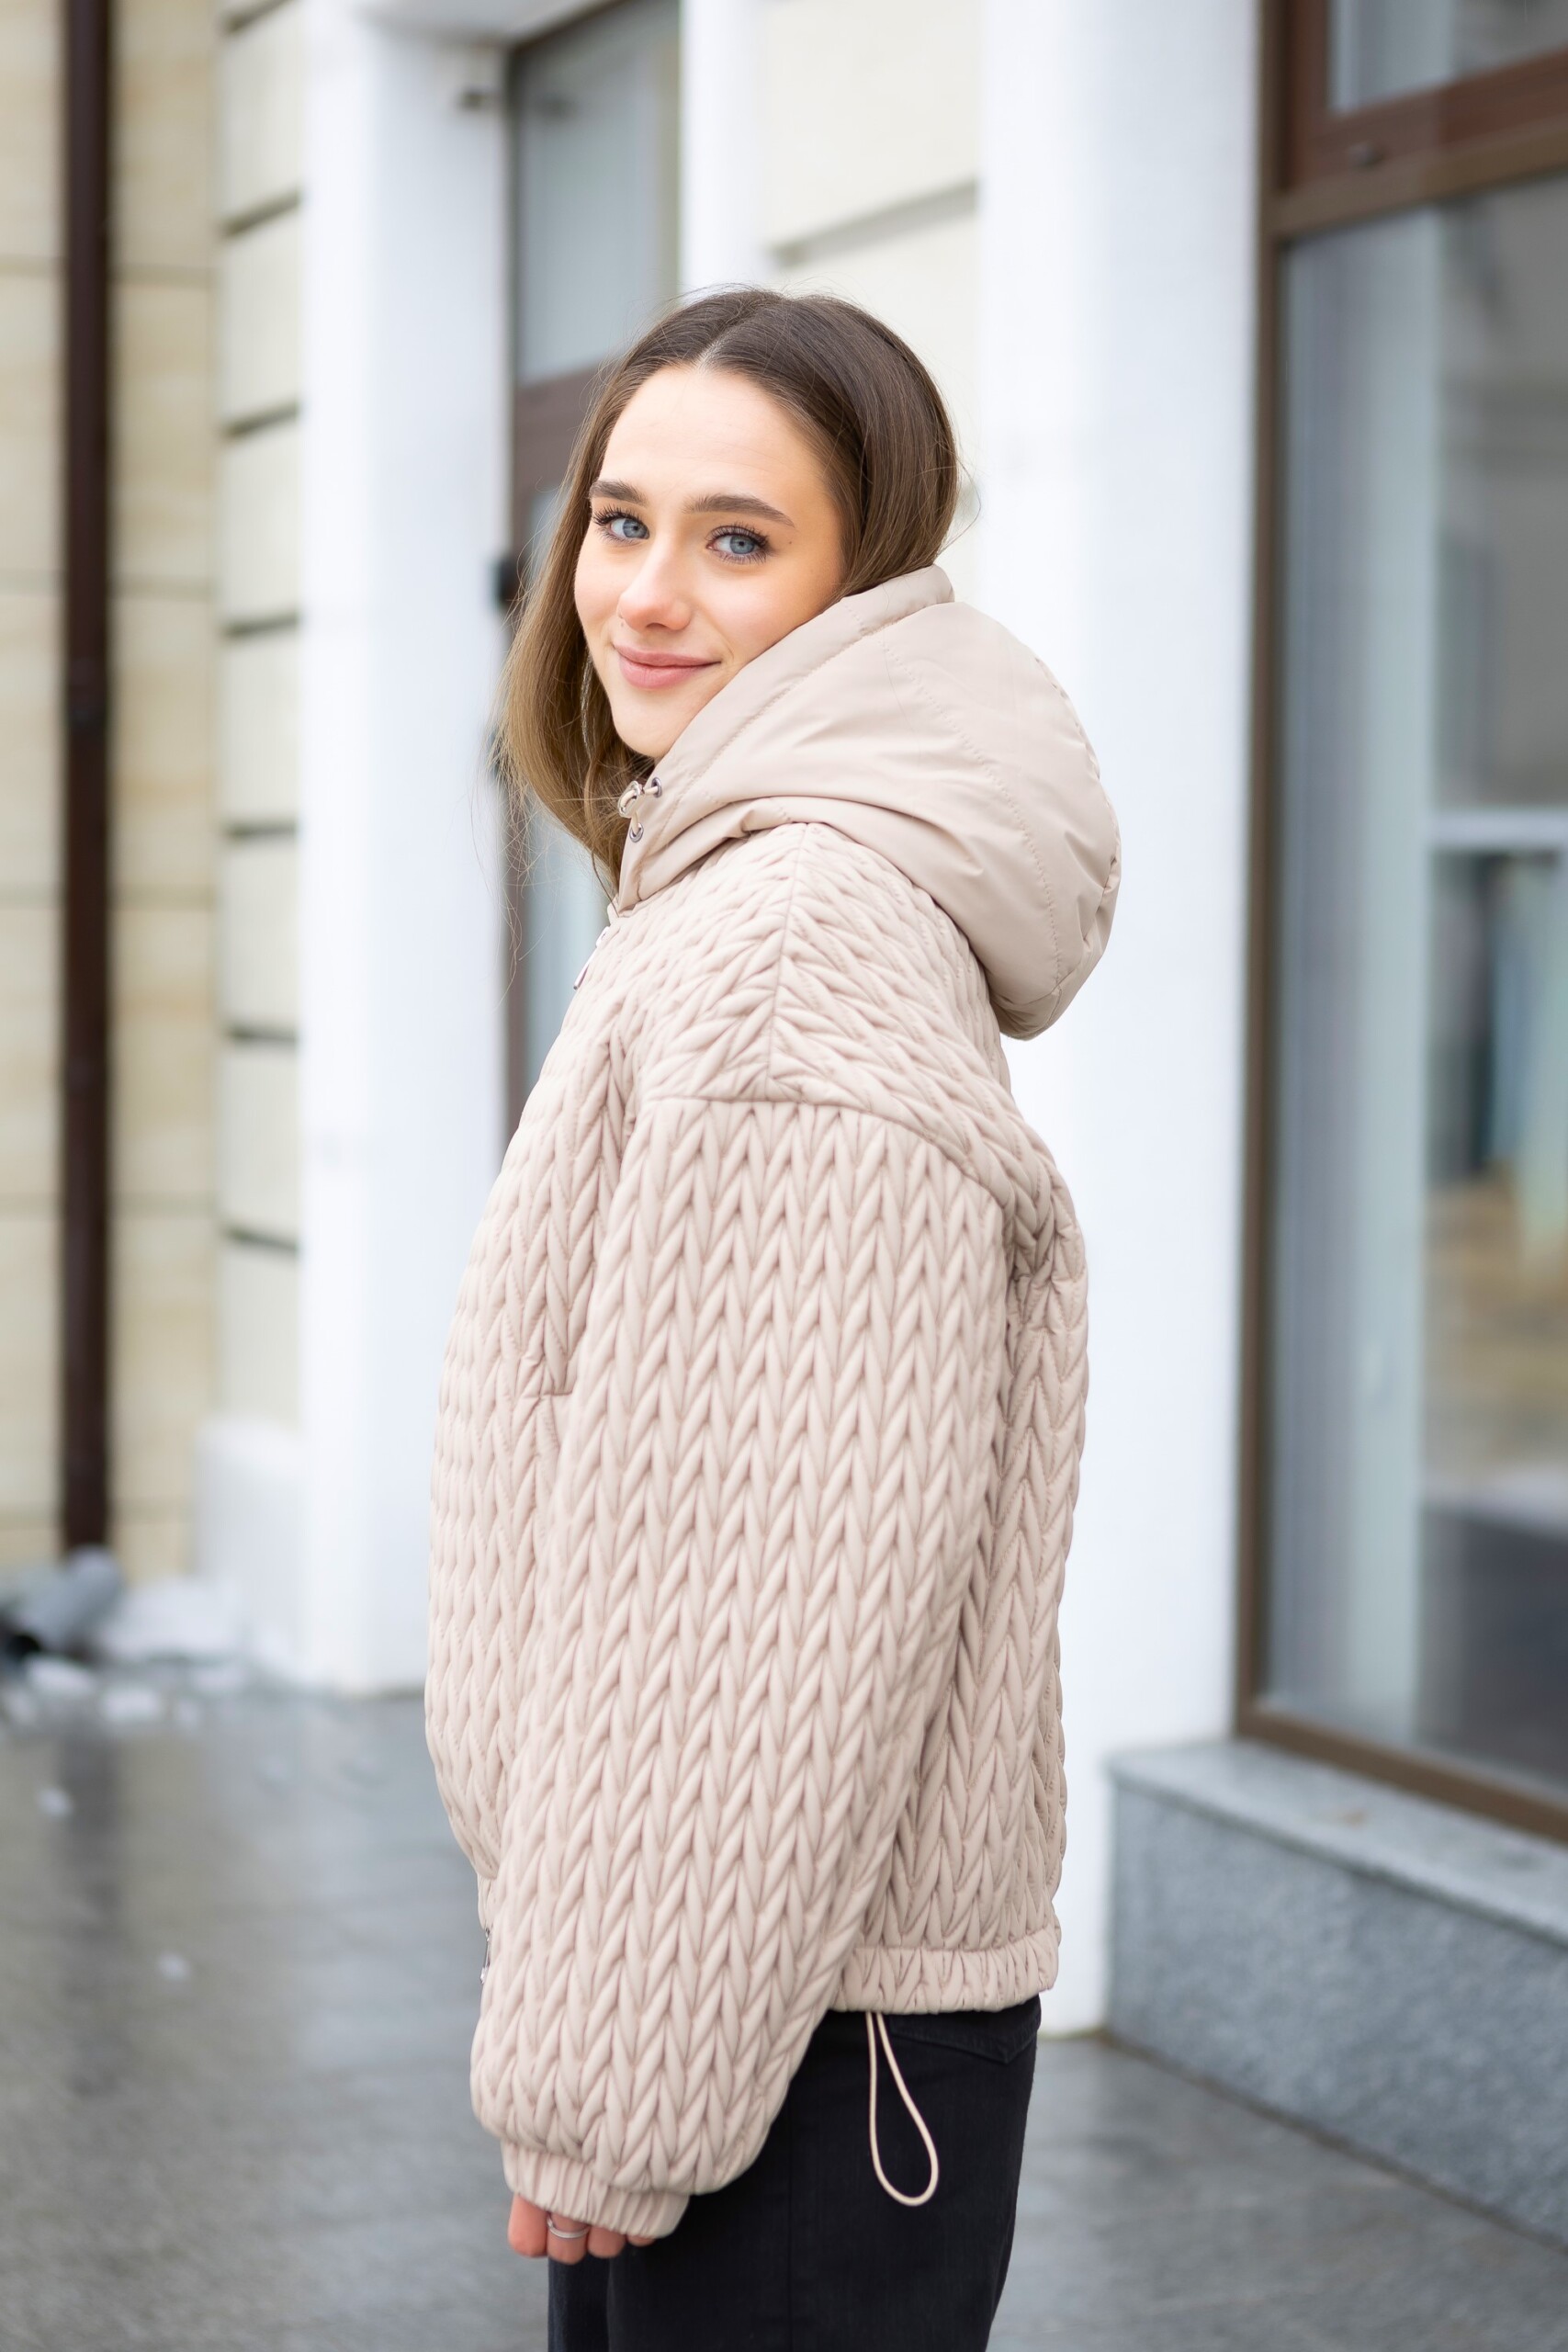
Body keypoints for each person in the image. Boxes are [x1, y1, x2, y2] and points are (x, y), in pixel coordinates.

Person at [426, 287, 1119, 2351]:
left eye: (739, 539)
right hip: (758, 1999)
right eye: (619, 519)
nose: (644, 594)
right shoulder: (731, 891)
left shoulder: (796, 945)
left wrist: (610, 2088)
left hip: (788, 2041)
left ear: (860, 586)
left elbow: (758, 1588)